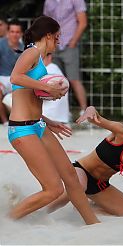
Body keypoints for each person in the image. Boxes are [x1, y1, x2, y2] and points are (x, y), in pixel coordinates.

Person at [8, 15, 99, 225]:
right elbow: (15, 77)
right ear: (48, 35)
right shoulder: (31, 52)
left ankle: (92, 223)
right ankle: (7, 221)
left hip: (38, 124)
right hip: (22, 130)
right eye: (57, 37)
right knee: (54, 189)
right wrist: (47, 87)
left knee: (71, 177)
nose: (59, 42)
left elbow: (28, 99)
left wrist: (48, 121)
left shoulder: (39, 57)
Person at [43, 0, 88, 115]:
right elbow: (45, 22)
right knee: (55, 80)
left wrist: (73, 42)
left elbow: (83, 22)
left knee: (74, 79)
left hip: (69, 44)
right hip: (53, 45)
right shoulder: (49, 1)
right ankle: (61, 112)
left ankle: (85, 112)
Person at [0, 18, 23, 124]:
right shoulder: (1, 44)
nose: (15, 34)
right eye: (12, 32)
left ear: (21, 33)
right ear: (8, 33)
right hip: (2, 78)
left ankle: (19, 121)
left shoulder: (24, 48)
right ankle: (5, 122)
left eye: (17, 32)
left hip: (17, 79)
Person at [42, 53, 70, 123]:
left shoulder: (49, 69)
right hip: (58, 116)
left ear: (49, 57)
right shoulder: (54, 68)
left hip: (49, 116)